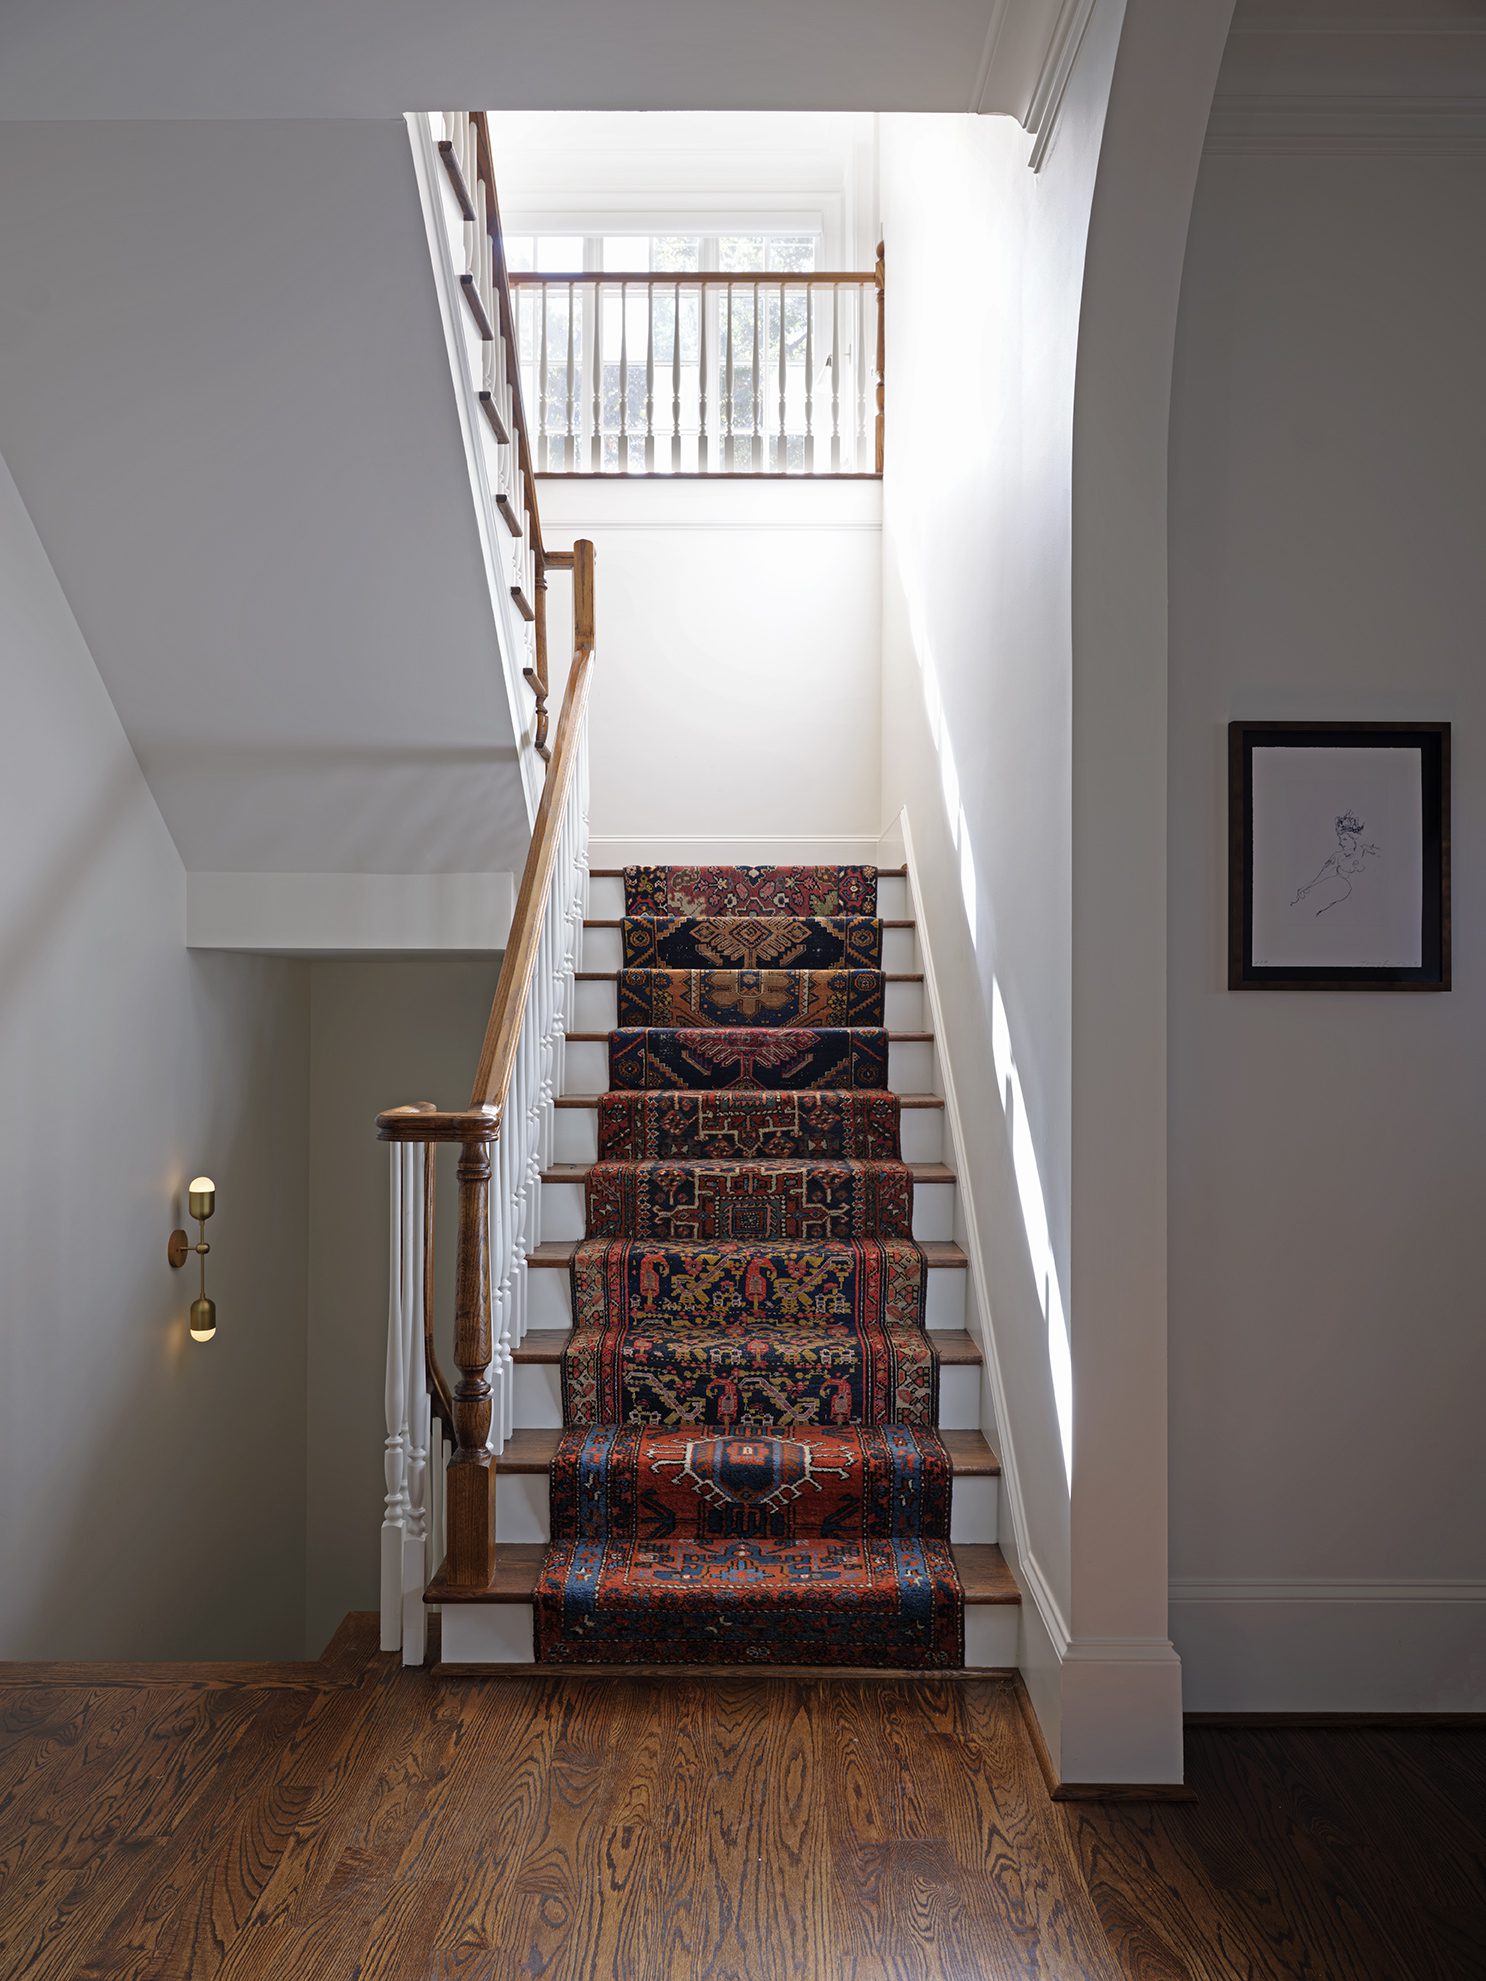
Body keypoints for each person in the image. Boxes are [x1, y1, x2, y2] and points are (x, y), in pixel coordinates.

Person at [1291, 810, 1380, 916]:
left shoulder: (1368, 854)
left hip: (1366, 902)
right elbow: (1322, 875)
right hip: (1339, 893)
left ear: (1355, 839)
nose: (1340, 843)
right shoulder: (1338, 856)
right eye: (1340, 839)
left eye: (1344, 839)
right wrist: (1307, 886)